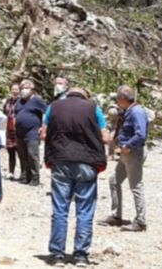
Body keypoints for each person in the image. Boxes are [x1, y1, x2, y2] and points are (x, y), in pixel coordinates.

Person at [43, 88, 110, 267]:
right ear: (85, 96)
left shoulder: (53, 107)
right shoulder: (93, 108)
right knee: (85, 211)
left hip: (60, 160)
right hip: (87, 162)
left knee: (60, 209)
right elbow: (105, 137)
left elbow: (43, 133)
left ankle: (57, 255)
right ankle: (80, 255)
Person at [100, 85, 149, 232]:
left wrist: (128, 145)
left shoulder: (137, 112)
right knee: (114, 180)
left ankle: (140, 221)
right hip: (125, 153)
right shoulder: (129, 111)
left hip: (132, 152)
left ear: (122, 98)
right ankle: (116, 216)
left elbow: (141, 134)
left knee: (136, 186)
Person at [15, 79, 47, 186]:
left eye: (26, 88)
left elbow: (48, 113)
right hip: (20, 133)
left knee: (32, 155)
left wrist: (43, 127)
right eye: (22, 88)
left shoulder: (37, 100)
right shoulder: (19, 101)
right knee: (22, 155)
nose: (23, 90)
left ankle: (35, 178)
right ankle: (25, 176)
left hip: (32, 133)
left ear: (32, 90)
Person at [3, 83, 20, 180]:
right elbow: (4, 113)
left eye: (16, 89)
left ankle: (23, 173)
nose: (14, 91)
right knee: (11, 151)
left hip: (18, 128)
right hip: (9, 128)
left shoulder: (22, 101)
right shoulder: (7, 101)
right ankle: (11, 172)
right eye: (13, 89)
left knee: (21, 152)